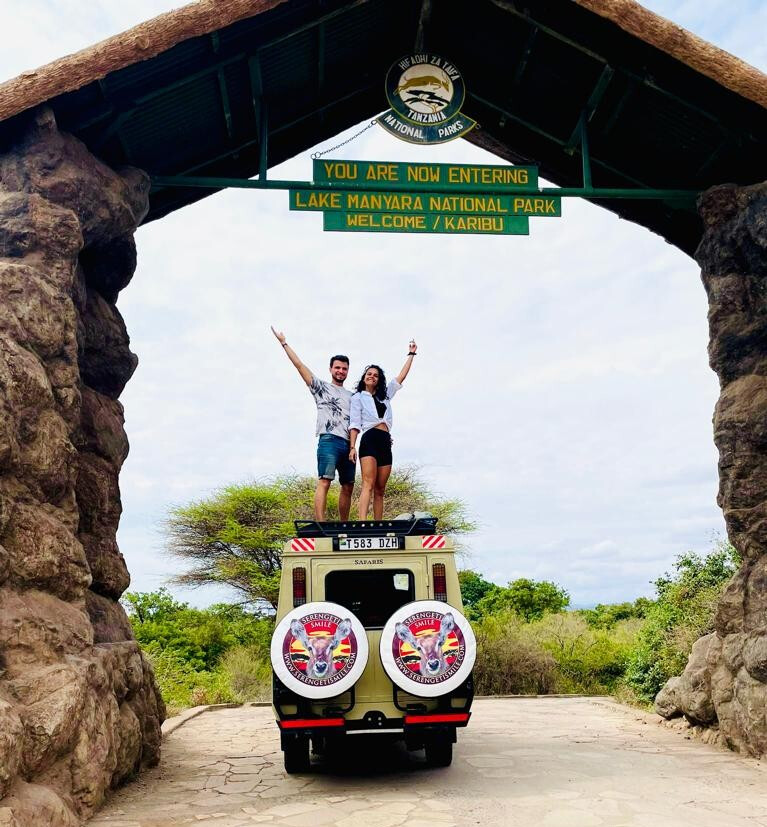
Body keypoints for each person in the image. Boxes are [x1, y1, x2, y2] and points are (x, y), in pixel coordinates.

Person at [271, 326, 355, 521]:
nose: (341, 371)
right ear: (331, 369)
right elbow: (300, 365)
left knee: (348, 485)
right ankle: (321, 523)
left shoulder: (353, 397)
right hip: (328, 440)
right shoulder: (321, 388)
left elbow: (363, 420)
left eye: (344, 369)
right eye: (337, 368)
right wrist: (284, 343)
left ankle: (344, 524)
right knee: (325, 481)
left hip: (348, 444)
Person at [349, 340, 417, 519]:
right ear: (364, 377)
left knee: (380, 489)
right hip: (369, 439)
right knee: (368, 483)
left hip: (385, 441)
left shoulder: (385, 396)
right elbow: (355, 424)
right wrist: (352, 446)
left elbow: (400, 378)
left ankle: (378, 524)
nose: (372, 376)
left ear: (379, 380)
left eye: (376, 375)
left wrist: (411, 355)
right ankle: (362, 522)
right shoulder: (357, 398)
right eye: (369, 374)